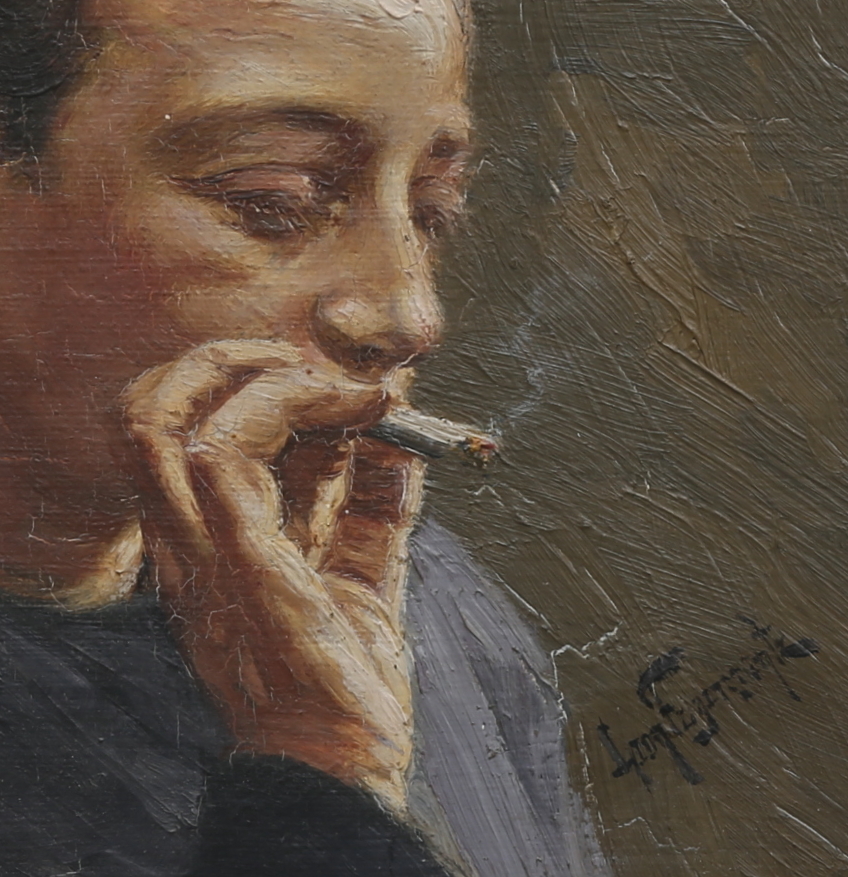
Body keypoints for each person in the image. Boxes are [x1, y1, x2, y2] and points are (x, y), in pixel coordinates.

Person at [0, 0, 609, 874]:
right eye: (273, 200)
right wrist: (319, 763)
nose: (409, 315)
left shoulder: (438, 619)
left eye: (430, 210)